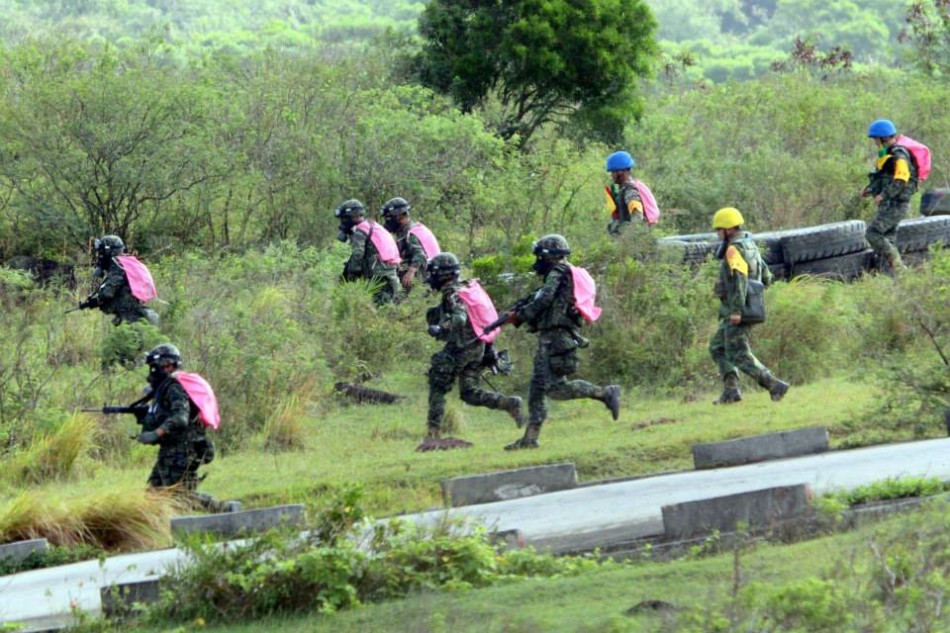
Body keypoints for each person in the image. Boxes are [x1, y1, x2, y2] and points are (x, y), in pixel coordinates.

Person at [493, 234, 621, 450]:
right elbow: (540, 296)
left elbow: (544, 299)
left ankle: (604, 393)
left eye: (539, 257)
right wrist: (516, 312)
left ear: (548, 256)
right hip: (553, 336)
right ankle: (530, 439)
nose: (537, 262)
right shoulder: (564, 273)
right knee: (536, 389)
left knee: (554, 388)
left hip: (556, 337)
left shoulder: (558, 271)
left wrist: (522, 316)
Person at [418, 252, 524, 451]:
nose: (430, 277)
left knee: (438, 383)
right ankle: (509, 403)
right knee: (469, 393)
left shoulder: (452, 292)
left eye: (433, 273)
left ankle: (433, 435)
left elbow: (459, 318)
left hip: (462, 347)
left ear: (442, 275)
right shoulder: (468, 287)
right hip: (479, 347)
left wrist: (442, 328)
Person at [136, 343, 239, 513]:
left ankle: (226, 510)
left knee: (177, 496)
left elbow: (180, 418)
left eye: (155, 367)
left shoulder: (174, 387)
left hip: (182, 451)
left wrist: (156, 433)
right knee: (155, 495)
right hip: (172, 451)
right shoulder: (168, 387)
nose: (152, 372)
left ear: (167, 366)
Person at [708, 207, 789, 405]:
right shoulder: (749, 244)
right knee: (717, 347)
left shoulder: (734, 249)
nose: (718, 234)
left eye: (719, 230)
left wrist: (737, 310)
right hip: (745, 307)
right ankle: (731, 390)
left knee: (739, 353)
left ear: (728, 229)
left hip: (737, 311)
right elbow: (766, 276)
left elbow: (740, 279)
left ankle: (773, 384)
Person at [861, 119, 918, 274]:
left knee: (873, 234)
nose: (874, 142)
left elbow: (901, 179)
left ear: (883, 137)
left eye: (875, 139)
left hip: (896, 204)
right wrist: (870, 190)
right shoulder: (888, 154)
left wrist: (884, 195)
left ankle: (900, 269)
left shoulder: (899, 155)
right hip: (890, 204)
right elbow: (883, 176)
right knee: (888, 238)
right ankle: (891, 276)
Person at [78, 235, 159, 326]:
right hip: (129, 312)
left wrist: (96, 300)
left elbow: (107, 292)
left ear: (109, 251)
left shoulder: (117, 266)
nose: (100, 256)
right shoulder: (125, 263)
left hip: (128, 316)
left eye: (102, 253)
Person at [335, 199, 402, 305]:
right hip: (389, 272)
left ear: (352, 217)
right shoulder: (372, 226)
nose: (343, 222)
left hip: (378, 275)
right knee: (390, 306)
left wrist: (349, 278)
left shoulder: (360, 231)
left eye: (344, 218)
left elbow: (357, 255)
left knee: (382, 308)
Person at [381, 197, 442, 291]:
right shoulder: (412, 229)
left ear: (400, 216)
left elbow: (420, 255)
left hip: (426, 275)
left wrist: (410, 272)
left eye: (389, 217)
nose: (387, 222)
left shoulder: (411, 233)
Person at [604, 150, 645, 236]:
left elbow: (637, 214)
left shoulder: (629, 190)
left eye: (613, 172)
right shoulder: (622, 189)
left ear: (620, 172)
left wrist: (628, 237)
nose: (611, 175)